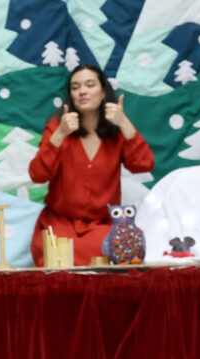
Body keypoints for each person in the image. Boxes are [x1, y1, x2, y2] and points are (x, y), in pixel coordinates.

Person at [28, 64, 155, 267]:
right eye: (75, 87)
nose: (82, 91)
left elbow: (144, 164)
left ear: (103, 91)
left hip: (102, 228)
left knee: (110, 251)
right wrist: (60, 134)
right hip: (59, 226)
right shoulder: (56, 127)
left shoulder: (117, 130)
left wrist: (125, 123)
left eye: (89, 85)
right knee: (59, 255)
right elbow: (38, 175)